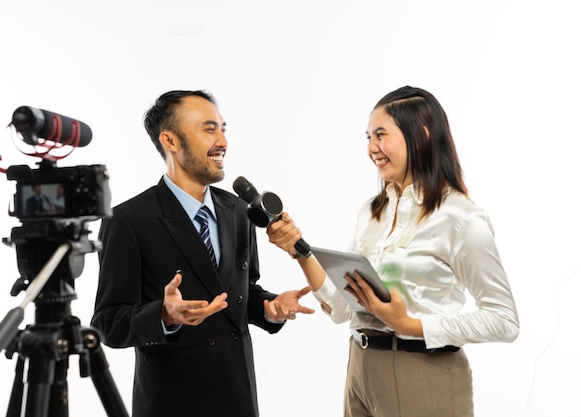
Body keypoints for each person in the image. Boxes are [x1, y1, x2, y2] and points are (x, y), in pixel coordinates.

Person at [267, 86, 519, 417]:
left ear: (422, 136)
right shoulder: (371, 211)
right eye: (368, 137)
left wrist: (411, 325)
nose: (372, 148)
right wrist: (299, 251)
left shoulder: (461, 217)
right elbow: (342, 310)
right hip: (361, 366)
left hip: (423, 372)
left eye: (381, 135)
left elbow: (504, 321)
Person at [91, 89, 314, 417]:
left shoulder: (237, 210)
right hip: (171, 403)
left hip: (238, 398)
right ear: (170, 141)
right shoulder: (128, 220)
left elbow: (240, 293)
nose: (222, 140)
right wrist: (164, 316)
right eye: (209, 129)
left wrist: (269, 306)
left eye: (223, 129)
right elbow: (107, 323)